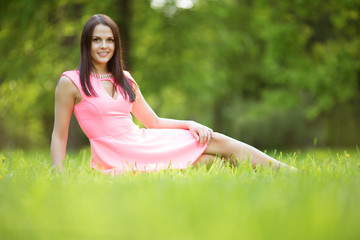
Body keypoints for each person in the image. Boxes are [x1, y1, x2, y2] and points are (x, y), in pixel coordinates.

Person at [51, 14, 295, 174]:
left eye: (109, 40)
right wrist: (57, 174)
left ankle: (286, 173)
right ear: (87, 44)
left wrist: (190, 124)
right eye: (97, 40)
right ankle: (281, 173)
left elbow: (153, 122)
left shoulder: (125, 79)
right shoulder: (70, 82)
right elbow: (59, 135)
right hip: (116, 156)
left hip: (144, 141)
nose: (104, 46)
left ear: (116, 44)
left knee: (211, 144)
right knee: (206, 161)